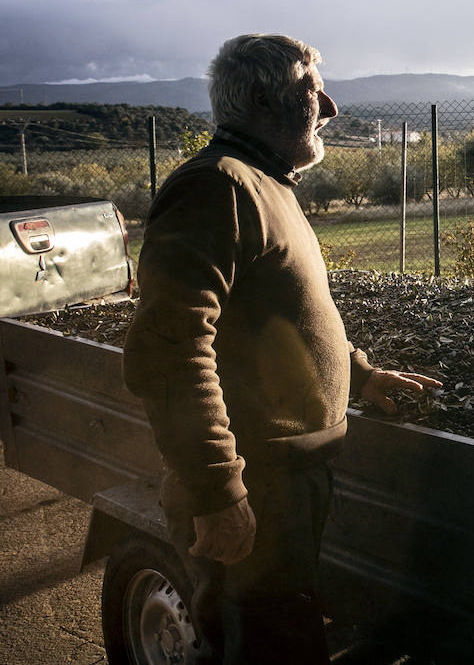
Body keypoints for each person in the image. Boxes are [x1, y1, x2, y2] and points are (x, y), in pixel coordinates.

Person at [122, 34, 440, 664]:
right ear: (265, 100)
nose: (331, 107)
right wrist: (219, 491)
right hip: (258, 485)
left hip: (286, 484)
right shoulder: (215, 188)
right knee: (269, 646)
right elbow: (170, 352)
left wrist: (361, 376)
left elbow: (281, 321)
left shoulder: (265, 186)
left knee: (282, 634)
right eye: (311, 88)